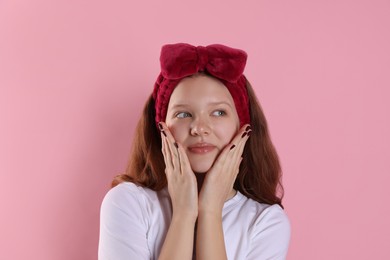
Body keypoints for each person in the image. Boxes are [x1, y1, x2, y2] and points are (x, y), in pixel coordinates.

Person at [98, 43, 290, 259]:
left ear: (242, 125)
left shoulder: (266, 222)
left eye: (218, 112)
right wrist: (183, 213)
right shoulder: (128, 203)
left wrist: (210, 211)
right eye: (183, 114)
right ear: (161, 128)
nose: (199, 128)